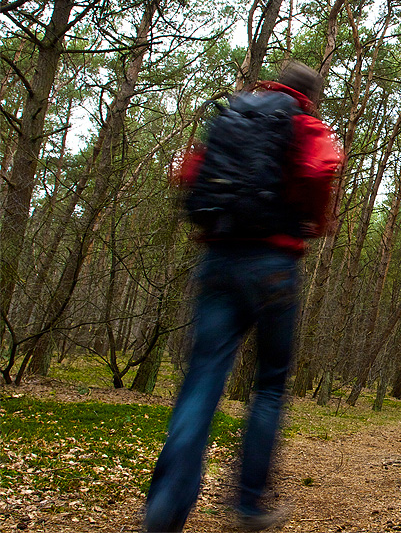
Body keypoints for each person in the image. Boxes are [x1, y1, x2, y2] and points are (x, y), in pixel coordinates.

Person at [143, 61, 342, 532]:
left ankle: (166, 507)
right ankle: (249, 503)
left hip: (218, 259)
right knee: (269, 384)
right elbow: (321, 168)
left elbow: (189, 172)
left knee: (202, 380)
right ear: (308, 94)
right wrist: (316, 219)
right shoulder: (302, 122)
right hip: (273, 264)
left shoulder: (233, 113)